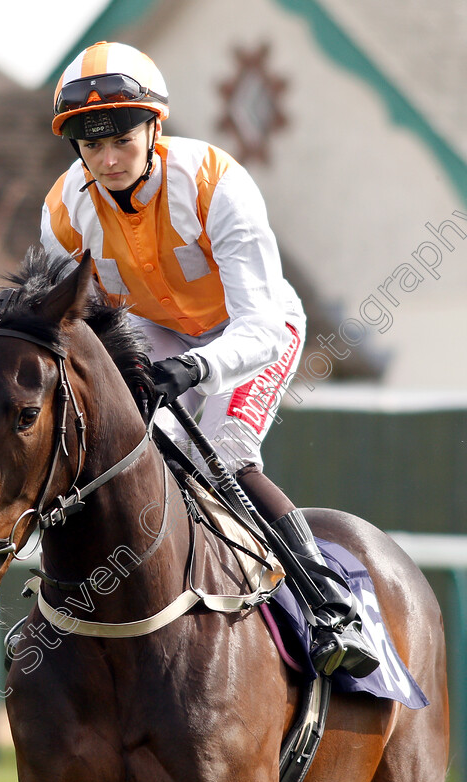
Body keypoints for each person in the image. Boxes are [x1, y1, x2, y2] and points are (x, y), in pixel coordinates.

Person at [41, 41, 378, 678]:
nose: (108, 160)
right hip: (157, 330)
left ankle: (334, 607)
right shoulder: (62, 214)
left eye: (122, 140)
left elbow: (259, 324)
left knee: (222, 452)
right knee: (135, 452)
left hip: (255, 326)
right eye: (91, 145)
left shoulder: (213, 181)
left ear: (154, 128)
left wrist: (199, 369)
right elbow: (70, 327)